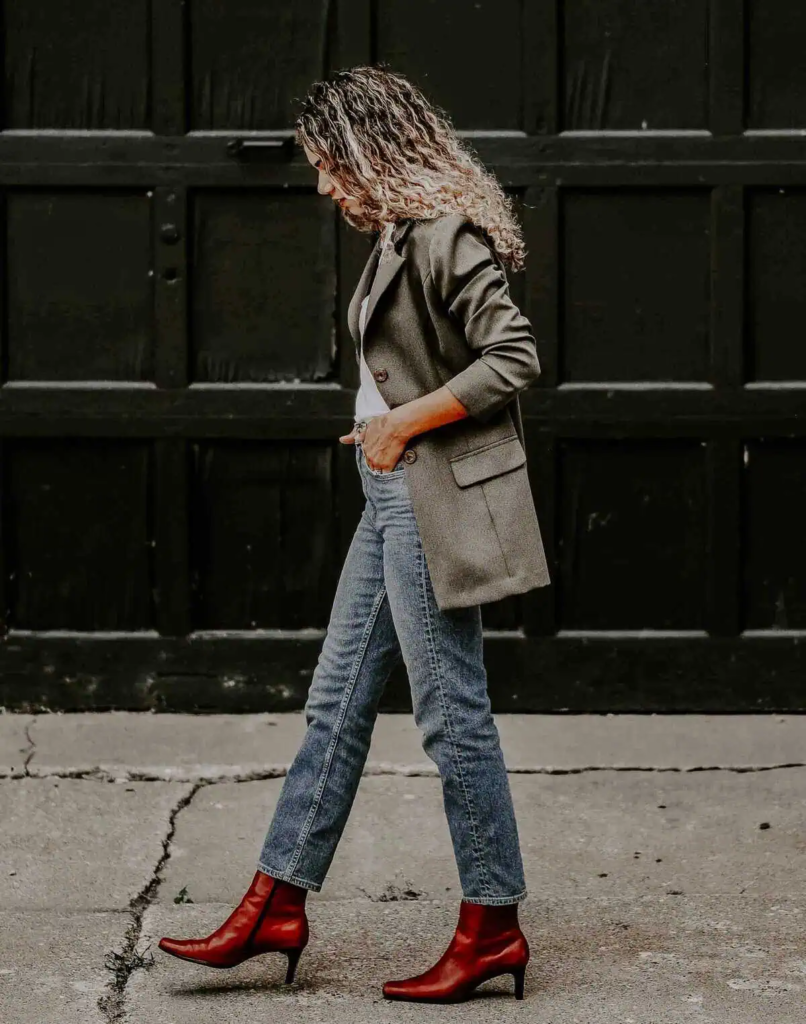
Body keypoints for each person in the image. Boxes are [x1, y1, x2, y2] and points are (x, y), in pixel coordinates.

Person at [158, 63, 551, 1004]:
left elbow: (516, 355)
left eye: (333, 165)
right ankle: (275, 903)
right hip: (390, 495)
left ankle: (492, 923)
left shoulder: (445, 236)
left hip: (426, 497)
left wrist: (403, 422)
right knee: (335, 707)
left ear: (378, 153)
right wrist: (382, 419)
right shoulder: (395, 233)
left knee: (450, 712)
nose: (325, 185)